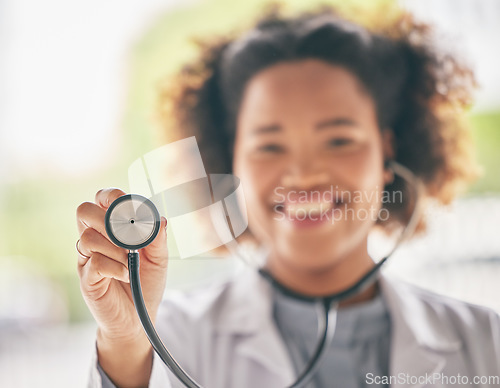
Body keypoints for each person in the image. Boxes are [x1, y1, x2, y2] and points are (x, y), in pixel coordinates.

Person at [76, 5, 500, 388]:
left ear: (387, 152)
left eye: (338, 140)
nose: (304, 175)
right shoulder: (168, 341)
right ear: (229, 163)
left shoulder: (485, 341)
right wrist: (128, 343)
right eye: (269, 145)